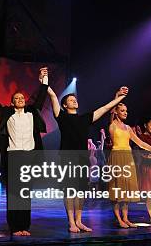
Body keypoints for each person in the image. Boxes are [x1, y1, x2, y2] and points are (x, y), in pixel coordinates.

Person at [47, 85, 130, 232]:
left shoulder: (85, 118)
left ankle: (79, 221)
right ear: (65, 105)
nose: (74, 101)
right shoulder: (61, 116)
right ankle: (71, 222)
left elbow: (104, 108)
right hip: (67, 157)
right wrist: (45, 83)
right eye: (70, 100)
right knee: (69, 191)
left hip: (82, 157)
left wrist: (119, 97)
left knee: (81, 191)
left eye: (75, 99)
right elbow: (53, 96)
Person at [0, 68, 48, 236]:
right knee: (14, 193)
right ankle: (15, 227)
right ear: (12, 102)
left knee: (26, 193)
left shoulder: (32, 112)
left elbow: (41, 98)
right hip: (14, 156)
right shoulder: (7, 113)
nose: (20, 99)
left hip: (30, 156)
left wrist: (44, 80)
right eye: (16, 98)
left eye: (22, 98)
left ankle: (25, 226)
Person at [108, 103, 151, 228]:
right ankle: (119, 219)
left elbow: (140, 143)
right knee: (117, 189)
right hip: (117, 157)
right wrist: (117, 97)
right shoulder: (112, 125)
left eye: (126, 110)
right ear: (116, 112)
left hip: (127, 157)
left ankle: (126, 218)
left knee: (126, 189)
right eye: (122, 110)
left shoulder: (127, 128)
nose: (125, 113)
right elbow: (110, 112)